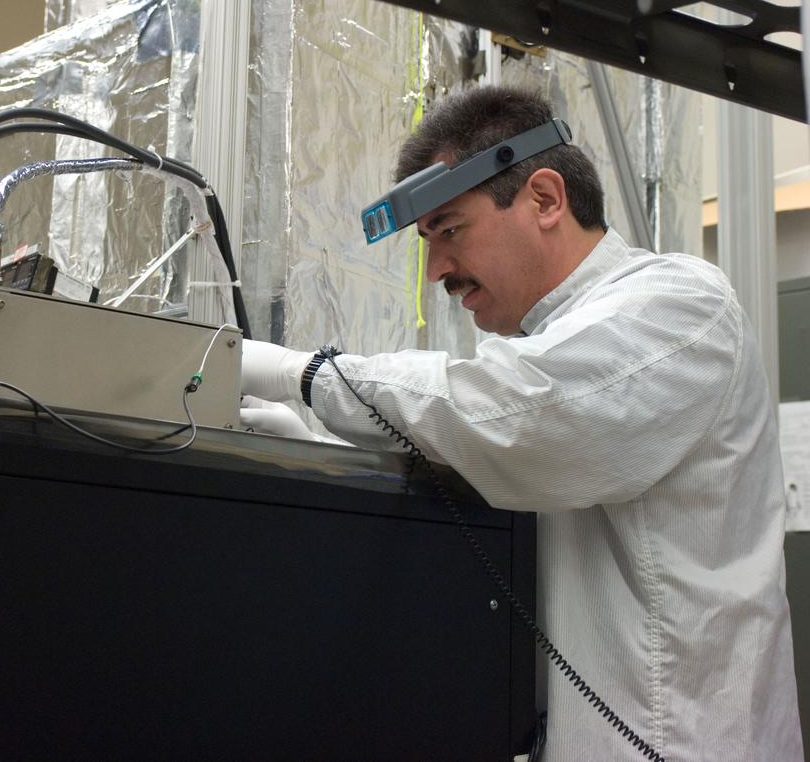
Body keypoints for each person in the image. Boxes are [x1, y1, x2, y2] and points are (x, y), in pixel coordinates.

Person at [240, 85, 803, 760]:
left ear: (544, 199)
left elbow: (516, 415)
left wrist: (293, 371)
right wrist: (329, 467)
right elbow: (489, 477)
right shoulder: (546, 352)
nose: (436, 271)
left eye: (448, 230)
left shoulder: (680, 305)